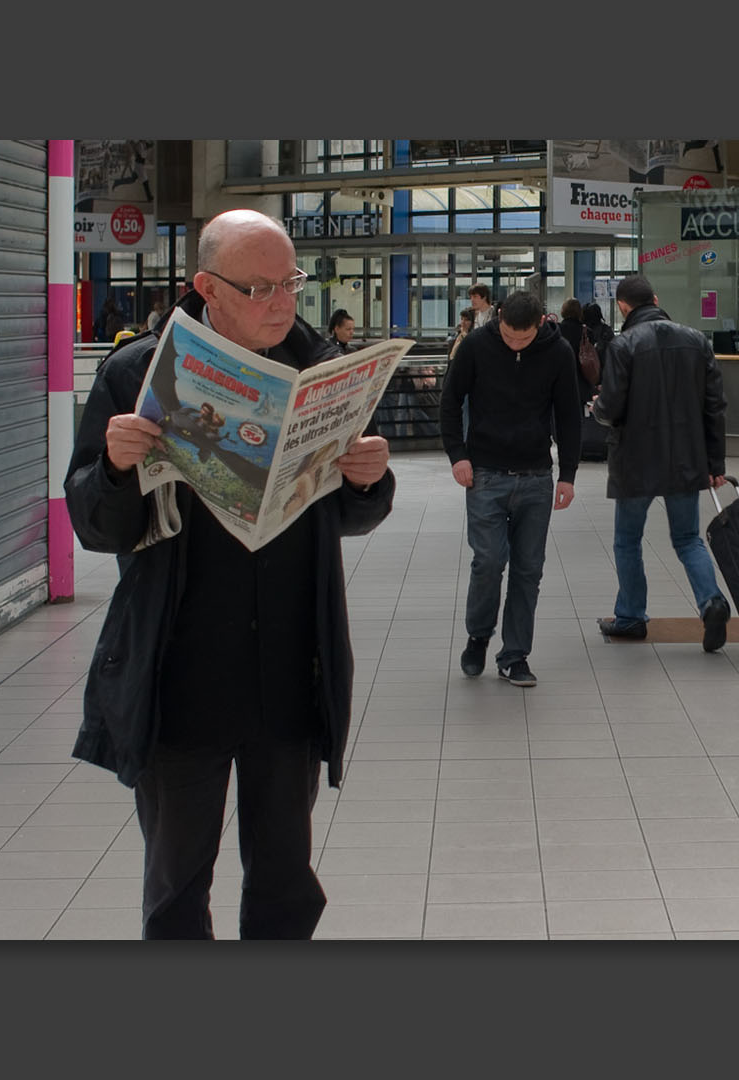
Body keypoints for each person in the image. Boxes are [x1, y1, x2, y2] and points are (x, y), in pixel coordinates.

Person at [64, 209, 395, 939]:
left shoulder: (318, 370)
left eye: (291, 283)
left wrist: (368, 481)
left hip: (288, 670)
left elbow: (345, 517)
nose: (282, 303)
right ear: (205, 287)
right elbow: (90, 523)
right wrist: (116, 468)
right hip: (179, 672)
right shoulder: (136, 373)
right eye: (260, 288)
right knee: (177, 883)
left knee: (284, 880)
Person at [439, 289, 582, 687]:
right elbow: (450, 401)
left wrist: (567, 473)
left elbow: (568, 414)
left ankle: (515, 654)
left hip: (536, 475)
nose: (515, 343)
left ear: (540, 324)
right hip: (485, 472)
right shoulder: (477, 347)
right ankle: (478, 636)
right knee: (488, 561)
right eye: (508, 336)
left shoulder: (557, 353)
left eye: (524, 338)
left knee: (528, 569)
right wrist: (458, 454)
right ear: (499, 317)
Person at [590, 274, 733, 650]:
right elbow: (714, 406)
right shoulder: (696, 340)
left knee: (628, 541)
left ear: (623, 307)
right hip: (686, 457)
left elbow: (612, 406)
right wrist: (715, 462)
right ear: (655, 298)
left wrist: (597, 409)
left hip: (635, 459)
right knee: (687, 539)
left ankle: (631, 617)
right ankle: (711, 601)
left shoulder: (623, 345)